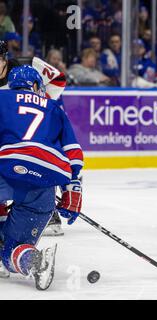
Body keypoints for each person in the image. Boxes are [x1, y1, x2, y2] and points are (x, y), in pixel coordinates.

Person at [0, 65, 83, 289]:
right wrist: (72, 189)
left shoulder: (1, 98)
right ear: (37, 86)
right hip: (45, 180)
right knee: (13, 248)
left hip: (6, 168)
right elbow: (73, 155)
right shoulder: (55, 108)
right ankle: (34, 261)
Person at [0, 40, 69, 237]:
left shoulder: (27, 65)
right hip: (9, 131)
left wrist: (38, 102)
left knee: (42, 155)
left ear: (5, 59)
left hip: (36, 121)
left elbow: (58, 80)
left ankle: (50, 211)